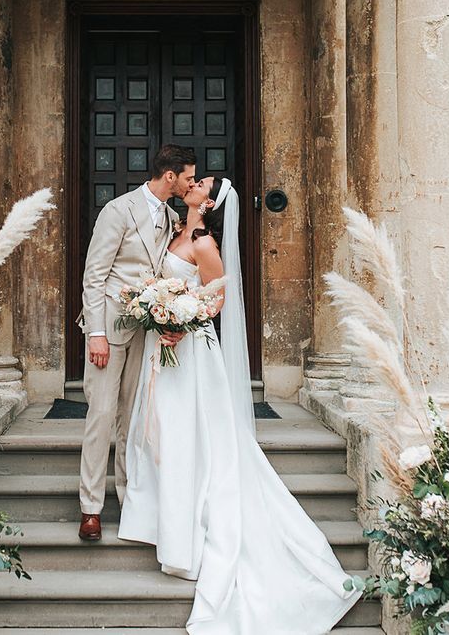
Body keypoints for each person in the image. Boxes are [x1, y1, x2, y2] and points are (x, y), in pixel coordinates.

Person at [118, 176, 362, 634]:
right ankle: (160, 517)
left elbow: (217, 299)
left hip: (190, 350)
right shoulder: (173, 229)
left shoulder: (204, 242)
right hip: (167, 350)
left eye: (200, 182)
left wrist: (179, 318)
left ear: (207, 202)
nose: (192, 182)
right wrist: (157, 309)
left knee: (194, 436)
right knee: (165, 432)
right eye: (192, 178)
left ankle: (185, 532)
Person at [76, 144, 195, 541]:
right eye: (188, 177)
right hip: (109, 329)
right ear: (169, 176)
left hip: (145, 330)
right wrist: (96, 333)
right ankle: (91, 508)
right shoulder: (118, 211)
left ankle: (129, 502)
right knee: (102, 415)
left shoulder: (172, 215)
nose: (190, 183)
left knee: (133, 418)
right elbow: (95, 275)